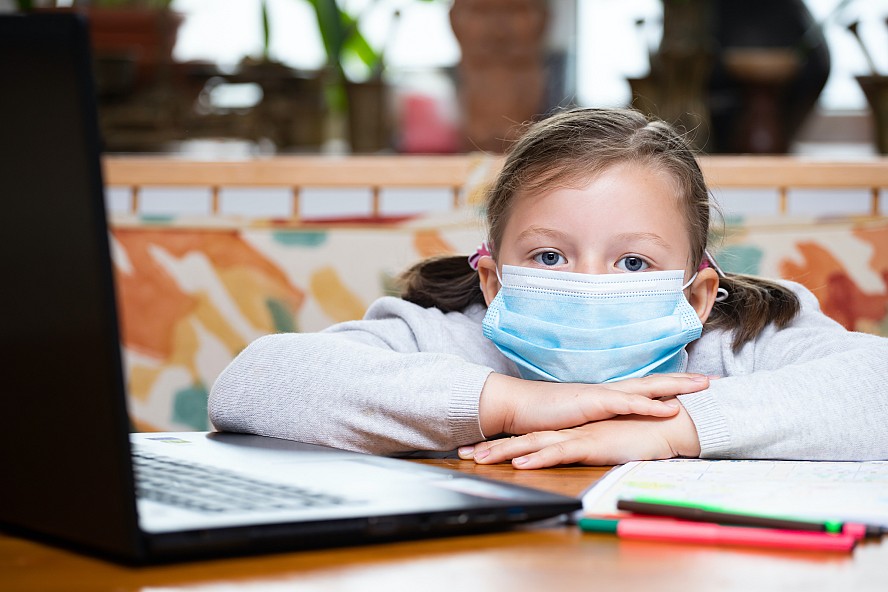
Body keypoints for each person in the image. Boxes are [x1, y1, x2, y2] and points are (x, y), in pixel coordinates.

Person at [209, 108, 888, 468]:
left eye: (632, 264)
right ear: (492, 279)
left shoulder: (737, 348)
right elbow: (250, 384)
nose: (589, 286)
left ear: (696, 296)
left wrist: (675, 430)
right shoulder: (451, 338)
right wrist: (507, 402)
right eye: (549, 256)